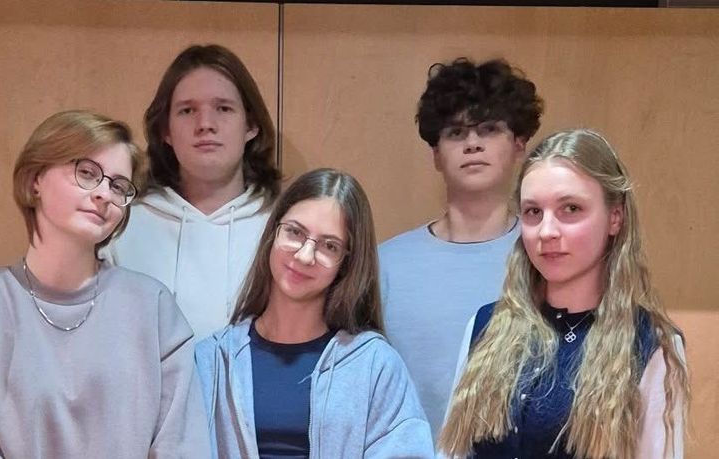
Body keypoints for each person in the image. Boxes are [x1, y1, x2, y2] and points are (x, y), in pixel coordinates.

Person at [0, 110, 210, 458]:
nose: (104, 194)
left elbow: (182, 446)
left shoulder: (153, 308)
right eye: (87, 173)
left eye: (118, 186)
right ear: (36, 178)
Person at [439, 129, 689, 459]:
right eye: (533, 212)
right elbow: (452, 452)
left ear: (615, 217)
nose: (547, 231)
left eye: (571, 208)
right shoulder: (485, 325)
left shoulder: (651, 342)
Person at [195, 168, 434, 458]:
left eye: (329, 246)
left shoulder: (375, 364)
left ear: (346, 263)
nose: (304, 255)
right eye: (295, 232)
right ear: (273, 232)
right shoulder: (212, 360)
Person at [379, 57, 544, 438]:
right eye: (456, 132)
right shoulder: (385, 265)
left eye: (489, 129)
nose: (472, 143)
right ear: (436, 154)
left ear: (519, 144)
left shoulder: (547, 257)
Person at [104, 44, 281, 339]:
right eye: (187, 111)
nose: (205, 125)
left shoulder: (285, 231)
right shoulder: (122, 227)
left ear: (251, 125)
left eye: (223, 108)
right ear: (166, 131)